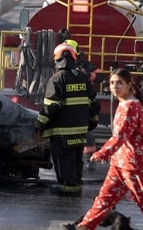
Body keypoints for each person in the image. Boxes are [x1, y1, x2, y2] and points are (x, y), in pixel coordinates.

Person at [61, 68, 143, 230]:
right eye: (112, 83)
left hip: (134, 165)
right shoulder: (125, 103)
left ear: (129, 85)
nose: (114, 86)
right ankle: (84, 226)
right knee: (105, 198)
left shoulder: (130, 107)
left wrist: (102, 153)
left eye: (119, 83)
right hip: (120, 163)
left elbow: (121, 136)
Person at [35, 43, 99, 195]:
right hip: (80, 132)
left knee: (63, 162)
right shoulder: (83, 77)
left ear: (56, 60)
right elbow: (93, 104)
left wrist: (39, 123)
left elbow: (52, 106)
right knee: (76, 160)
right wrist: (92, 122)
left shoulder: (57, 79)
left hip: (61, 133)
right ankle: (76, 187)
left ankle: (66, 192)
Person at [64, 39, 104, 171]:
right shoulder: (61, 66)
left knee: (87, 134)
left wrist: (87, 75)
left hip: (82, 104)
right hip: (68, 105)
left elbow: (100, 76)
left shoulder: (84, 65)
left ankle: (89, 162)